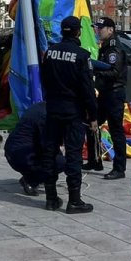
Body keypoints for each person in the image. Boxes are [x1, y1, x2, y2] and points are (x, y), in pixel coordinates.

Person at [37, 15, 97, 214]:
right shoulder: (81, 56)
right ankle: (74, 200)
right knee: (73, 156)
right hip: (73, 113)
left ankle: (51, 198)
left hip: (53, 109)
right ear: (78, 32)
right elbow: (88, 90)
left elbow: (43, 79)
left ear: (63, 31)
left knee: (50, 152)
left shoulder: (50, 52)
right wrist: (93, 116)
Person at [93, 17, 128, 180]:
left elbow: (114, 72)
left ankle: (119, 168)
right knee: (91, 124)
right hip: (105, 94)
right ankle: (94, 159)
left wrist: (95, 71)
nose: (98, 31)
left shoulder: (114, 49)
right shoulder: (105, 47)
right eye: (97, 28)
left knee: (116, 130)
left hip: (114, 94)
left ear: (111, 30)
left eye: (101, 28)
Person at [5, 101, 65, 195]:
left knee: (56, 156)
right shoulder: (46, 115)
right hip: (20, 154)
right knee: (61, 162)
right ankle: (30, 180)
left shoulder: (42, 106)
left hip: (14, 150)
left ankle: (31, 175)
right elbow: (47, 146)